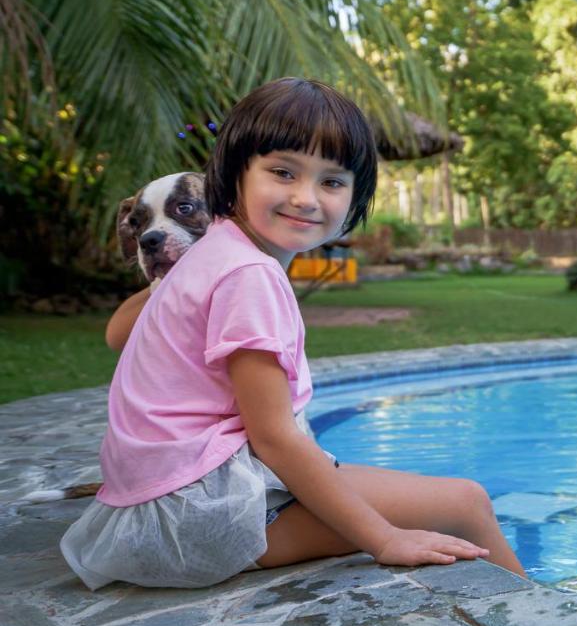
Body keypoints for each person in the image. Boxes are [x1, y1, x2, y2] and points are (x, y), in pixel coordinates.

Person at [62, 78, 525, 589]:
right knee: (465, 502)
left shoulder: (215, 252)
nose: (305, 198)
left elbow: (125, 332)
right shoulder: (248, 274)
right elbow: (276, 438)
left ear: (354, 198)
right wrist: (386, 539)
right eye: (283, 172)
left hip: (165, 503)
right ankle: (544, 618)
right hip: (188, 523)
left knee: (386, 486)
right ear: (232, 175)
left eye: (331, 181)